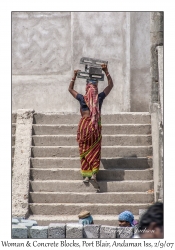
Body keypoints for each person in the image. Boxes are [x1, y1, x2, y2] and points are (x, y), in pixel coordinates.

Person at [68, 64, 113, 183]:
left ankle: (86, 175)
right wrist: (106, 71)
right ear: (96, 87)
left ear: (87, 87)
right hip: (95, 127)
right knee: (95, 150)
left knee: (84, 150)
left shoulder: (82, 98)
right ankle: (93, 174)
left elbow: (70, 90)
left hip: (84, 127)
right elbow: (110, 85)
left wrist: (74, 76)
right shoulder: (99, 98)